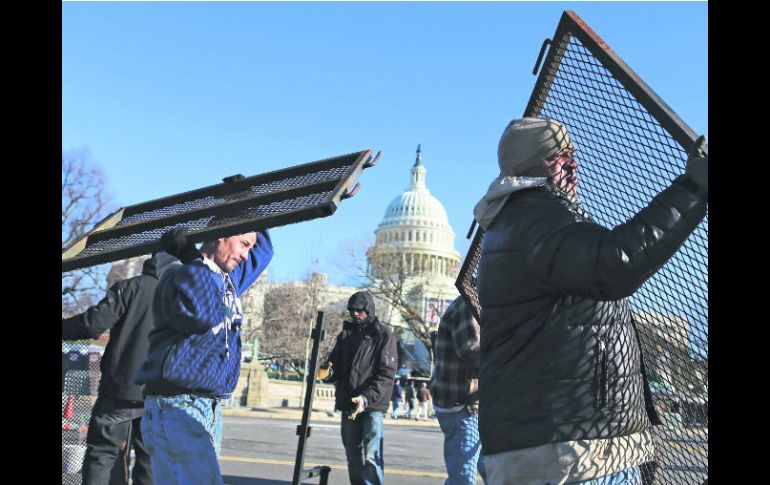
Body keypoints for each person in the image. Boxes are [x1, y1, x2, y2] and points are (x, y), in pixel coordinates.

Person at [472, 117, 708, 484]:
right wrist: (694, 188)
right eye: (557, 156)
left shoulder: (512, 221)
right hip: (575, 450)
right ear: (527, 168)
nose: (572, 162)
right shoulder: (538, 215)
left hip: (553, 442)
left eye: (571, 154)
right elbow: (613, 264)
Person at [134, 227, 274, 485]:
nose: (246, 255)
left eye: (249, 248)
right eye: (243, 244)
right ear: (221, 235)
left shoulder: (227, 280)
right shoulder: (180, 272)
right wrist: (191, 256)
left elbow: (265, 250)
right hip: (177, 402)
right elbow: (202, 315)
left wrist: (246, 199)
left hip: (208, 406)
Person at [62, 252, 179, 485]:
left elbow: (93, 324)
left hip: (120, 389)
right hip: (159, 393)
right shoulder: (182, 298)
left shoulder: (131, 288)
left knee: (101, 455)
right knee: (151, 462)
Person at [317, 291, 398, 485]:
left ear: (369, 310)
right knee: (352, 455)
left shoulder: (384, 335)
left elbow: (386, 375)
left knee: (372, 457)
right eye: (352, 310)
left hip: (372, 407)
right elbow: (334, 366)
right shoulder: (345, 335)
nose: (355, 314)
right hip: (348, 404)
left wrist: (365, 398)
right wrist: (327, 372)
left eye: (360, 310)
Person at [430, 295, 487, 485]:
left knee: (494, 469)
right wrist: (505, 359)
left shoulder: (475, 303)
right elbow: (471, 349)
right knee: (464, 479)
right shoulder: (468, 304)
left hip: (470, 402)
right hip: (462, 404)